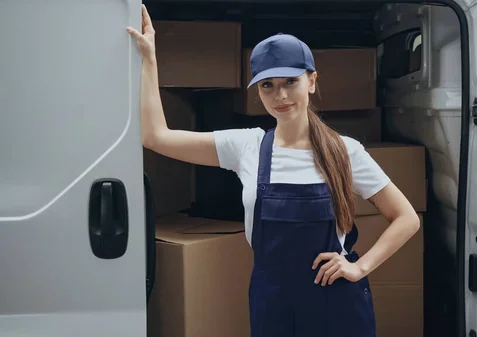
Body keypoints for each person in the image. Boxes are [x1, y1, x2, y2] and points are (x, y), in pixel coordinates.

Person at [127, 5, 421, 337]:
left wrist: (359, 266)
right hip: (273, 302)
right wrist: (149, 58)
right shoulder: (247, 146)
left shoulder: (345, 151)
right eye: (267, 85)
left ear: (311, 81)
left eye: (290, 82)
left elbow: (407, 218)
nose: (279, 95)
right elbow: (155, 137)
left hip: (335, 302)